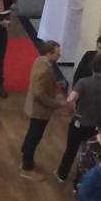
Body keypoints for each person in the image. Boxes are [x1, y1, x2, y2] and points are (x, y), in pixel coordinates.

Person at [55, 50, 101, 184]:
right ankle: (82, 180)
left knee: (71, 150)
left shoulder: (83, 82)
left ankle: (62, 174)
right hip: (97, 126)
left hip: (79, 122)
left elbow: (71, 99)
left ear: (92, 67)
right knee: (90, 154)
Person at [20, 40, 70, 178]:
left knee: (32, 134)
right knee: (35, 136)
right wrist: (57, 104)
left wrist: (54, 84)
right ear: (49, 53)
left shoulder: (40, 61)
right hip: (40, 110)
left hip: (34, 107)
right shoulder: (44, 70)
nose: (59, 56)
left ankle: (26, 156)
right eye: (57, 54)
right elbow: (40, 93)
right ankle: (27, 167)